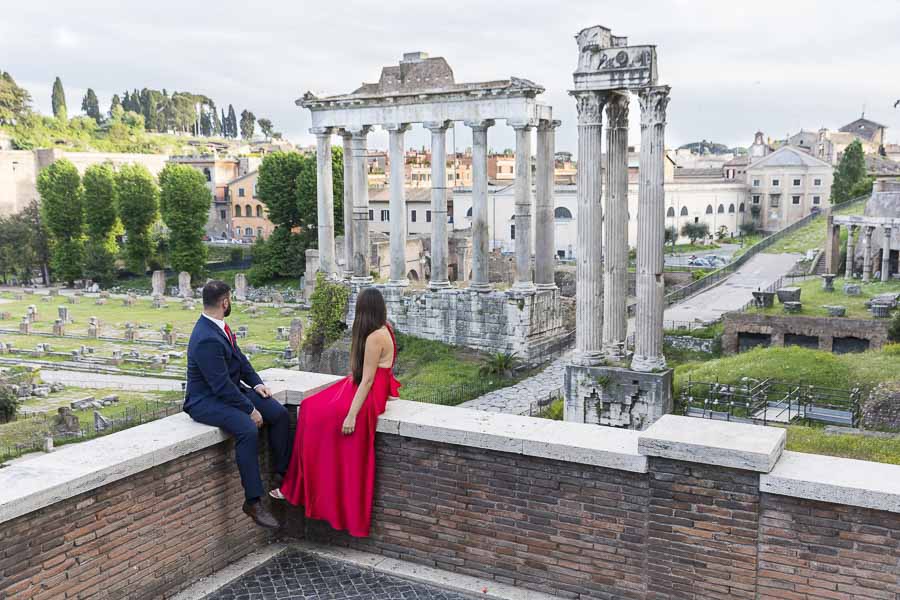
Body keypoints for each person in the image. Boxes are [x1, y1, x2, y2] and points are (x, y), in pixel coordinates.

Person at [275, 287, 400, 537]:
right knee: (310, 406)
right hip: (370, 386)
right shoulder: (384, 327)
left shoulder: (375, 336)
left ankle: (300, 486)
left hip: (369, 394)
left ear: (363, 311)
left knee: (315, 414)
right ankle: (297, 484)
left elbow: (367, 381)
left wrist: (351, 415)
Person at [183, 280, 290, 529]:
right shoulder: (206, 338)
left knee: (278, 413)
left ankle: (280, 476)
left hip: (229, 392)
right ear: (225, 302)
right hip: (205, 400)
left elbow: (240, 360)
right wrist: (249, 409)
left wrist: (257, 383)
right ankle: (253, 501)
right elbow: (220, 386)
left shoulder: (219, 327)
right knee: (247, 428)